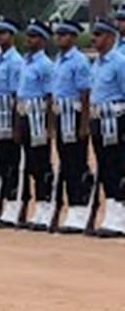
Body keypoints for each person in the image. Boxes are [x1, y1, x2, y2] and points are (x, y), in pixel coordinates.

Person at [52, 19, 94, 233]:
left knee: (76, 162)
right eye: (58, 34)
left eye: (64, 35)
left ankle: (80, 205)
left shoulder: (79, 61)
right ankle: (73, 204)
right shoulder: (58, 60)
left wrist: (84, 125)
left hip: (75, 116)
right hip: (61, 115)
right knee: (66, 162)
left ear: (73, 38)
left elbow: (85, 94)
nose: (59, 38)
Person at [18, 19, 57, 231]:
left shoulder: (45, 65)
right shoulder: (26, 61)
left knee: (41, 162)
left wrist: (49, 128)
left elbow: (50, 98)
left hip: (38, 118)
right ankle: (31, 204)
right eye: (28, 36)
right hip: (24, 115)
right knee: (28, 163)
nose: (28, 40)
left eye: (33, 37)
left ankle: (45, 203)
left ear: (42, 40)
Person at [89, 16, 125, 237]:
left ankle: (120, 215)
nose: (94, 39)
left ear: (111, 37)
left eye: (99, 34)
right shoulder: (97, 63)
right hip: (99, 120)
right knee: (104, 167)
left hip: (116, 120)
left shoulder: (120, 62)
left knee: (117, 166)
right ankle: (111, 211)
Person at [0, 18, 26, 227]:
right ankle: (5, 202)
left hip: (9, 117)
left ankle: (15, 204)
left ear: (12, 36)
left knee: (12, 163)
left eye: (3, 33)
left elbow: (16, 97)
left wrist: (15, 126)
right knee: (2, 162)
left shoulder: (14, 62)